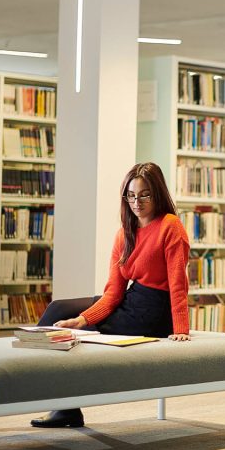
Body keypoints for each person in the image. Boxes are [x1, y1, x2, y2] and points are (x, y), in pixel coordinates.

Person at [29, 162, 191, 428]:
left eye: (144, 195)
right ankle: (50, 391)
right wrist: (81, 320)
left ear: (158, 194)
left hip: (155, 311)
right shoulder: (124, 235)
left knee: (79, 333)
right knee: (59, 310)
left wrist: (181, 327)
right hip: (131, 300)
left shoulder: (170, 226)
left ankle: (62, 404)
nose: (136, 202)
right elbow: (114, 293)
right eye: (131, 195)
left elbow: (177, 283)